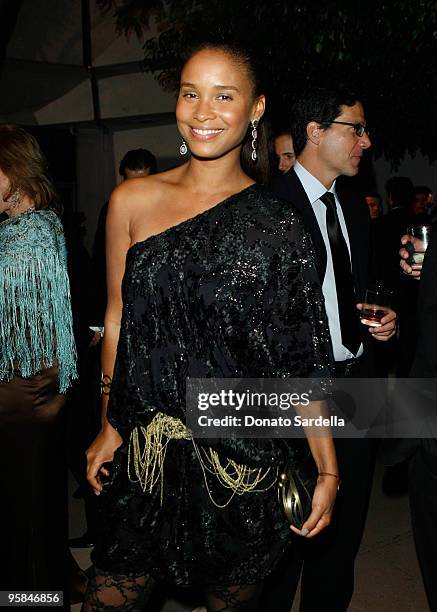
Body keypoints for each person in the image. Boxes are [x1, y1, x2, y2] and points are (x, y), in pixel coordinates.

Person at [83, 42, 338, 612]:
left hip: (242, 462)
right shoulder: (131, 200)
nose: (203, 111)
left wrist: (327, 466)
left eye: (224, 96)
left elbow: (302, 356)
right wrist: (109, 423)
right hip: (149, 456)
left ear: (255, 108)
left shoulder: (279, 224)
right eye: (190, 93)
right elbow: (118, 321)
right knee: (106, 597)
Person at [266, 86, 397, 612]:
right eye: (355, 128)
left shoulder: (351, 206)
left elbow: (356, 286)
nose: (366, 140)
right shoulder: (269, 208)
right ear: (316, 133)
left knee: (343, 535)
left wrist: (381, 323)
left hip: (358, 385)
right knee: (286, 537)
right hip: (293, 397)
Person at [0, 124, 77, 591]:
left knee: (23, 518)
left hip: (22, 395)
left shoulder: (29, 234)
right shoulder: (31, 226)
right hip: (30, 391)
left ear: (14, 171)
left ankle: (31, 598)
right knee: (29, 513)